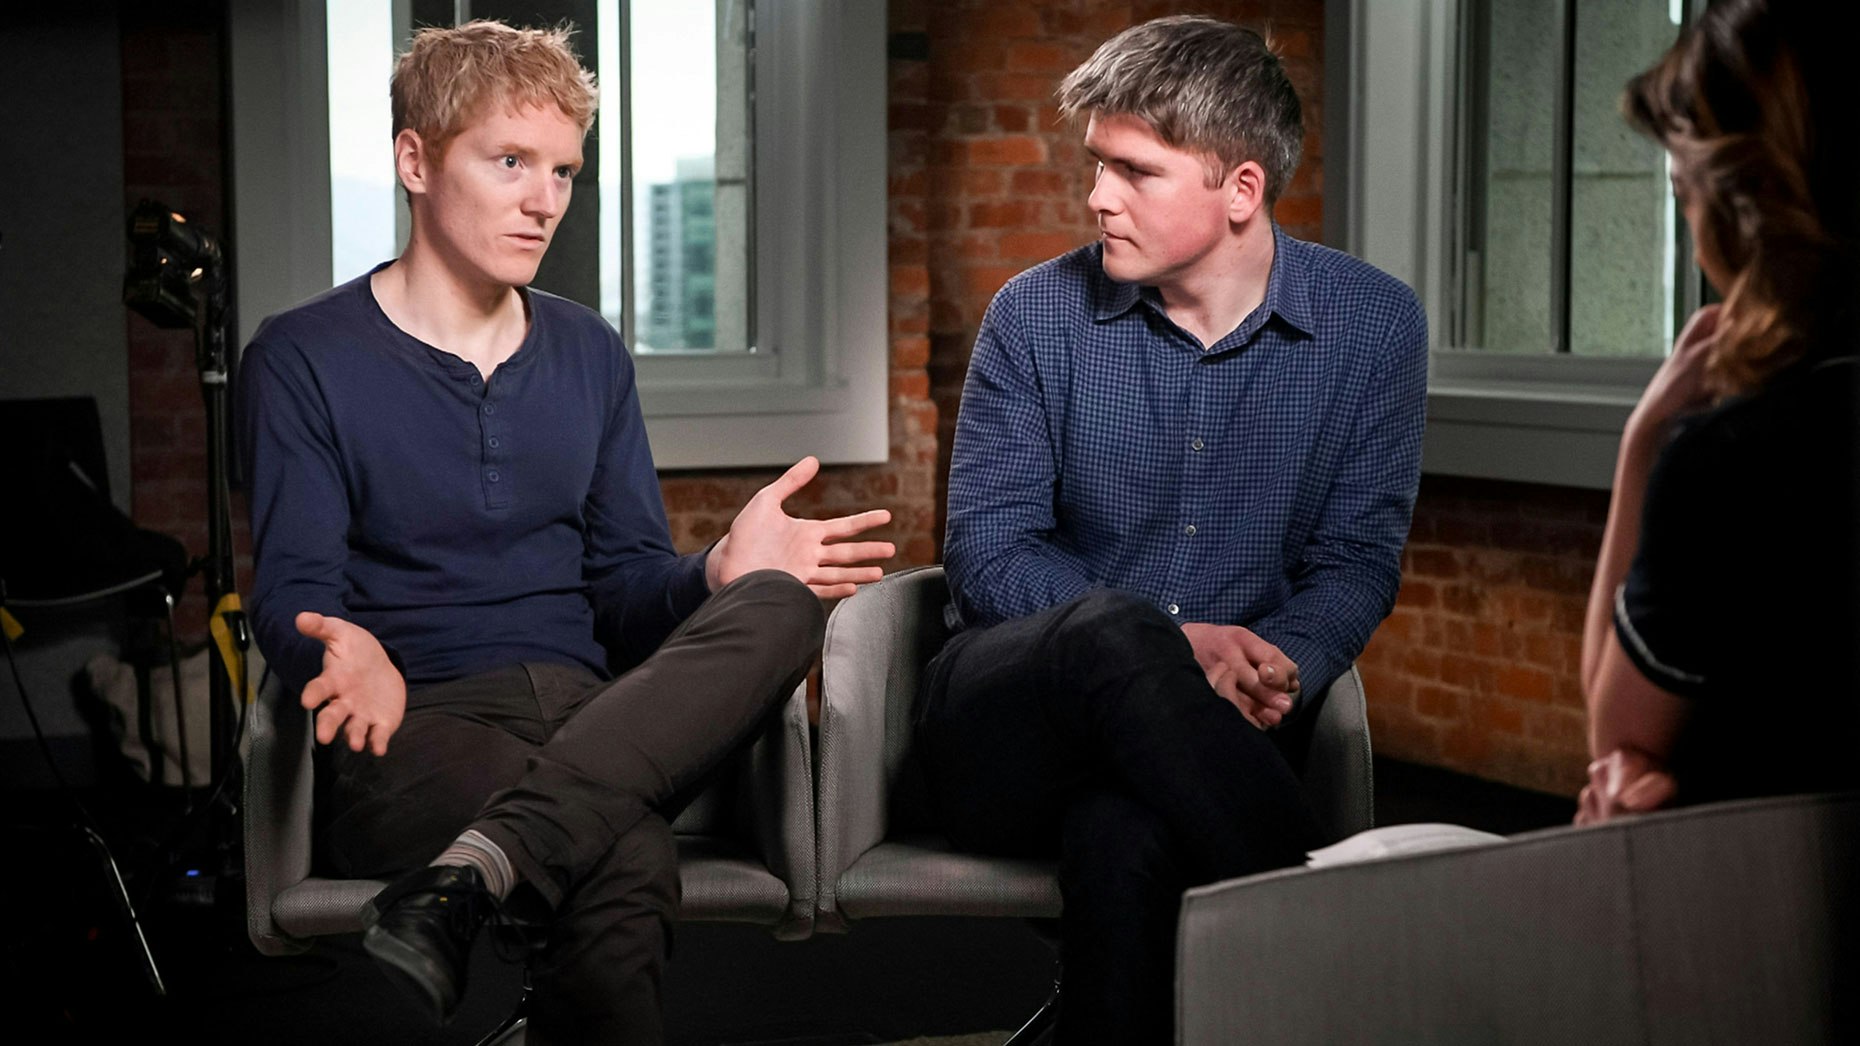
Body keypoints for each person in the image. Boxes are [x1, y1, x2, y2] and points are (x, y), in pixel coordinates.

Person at [237, 21, 893, 1043]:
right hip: (416, 722)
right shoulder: (303, 357)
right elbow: (291, 587)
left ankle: (473, 873)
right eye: (510, 162)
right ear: (416, 160)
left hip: (601, 711)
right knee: (623, 854)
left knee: (777, 601)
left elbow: (627, 589)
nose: (545, 200)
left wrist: (714, 569)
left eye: (563, 171)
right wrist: (338, 640)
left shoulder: (588, 350)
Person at [920, 16, 1428, 1043]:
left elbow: (1355, 560)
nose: (1097, 195)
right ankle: (1364, 963)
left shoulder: (1374, 326)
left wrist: (1272, 665)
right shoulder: (1034, 316)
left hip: (1216, 738)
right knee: (1116, 633)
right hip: (1010, 718)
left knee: (1126, 839)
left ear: (1241, 190)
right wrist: (1168, 644)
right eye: (1095, 163)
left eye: (1134, 171)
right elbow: (988, 551)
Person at [1577, 0, 1860, 825]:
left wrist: (1643, 444)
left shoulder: (1732, 455)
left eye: (1682, 193)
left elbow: (1612, 741)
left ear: (1743, 207)